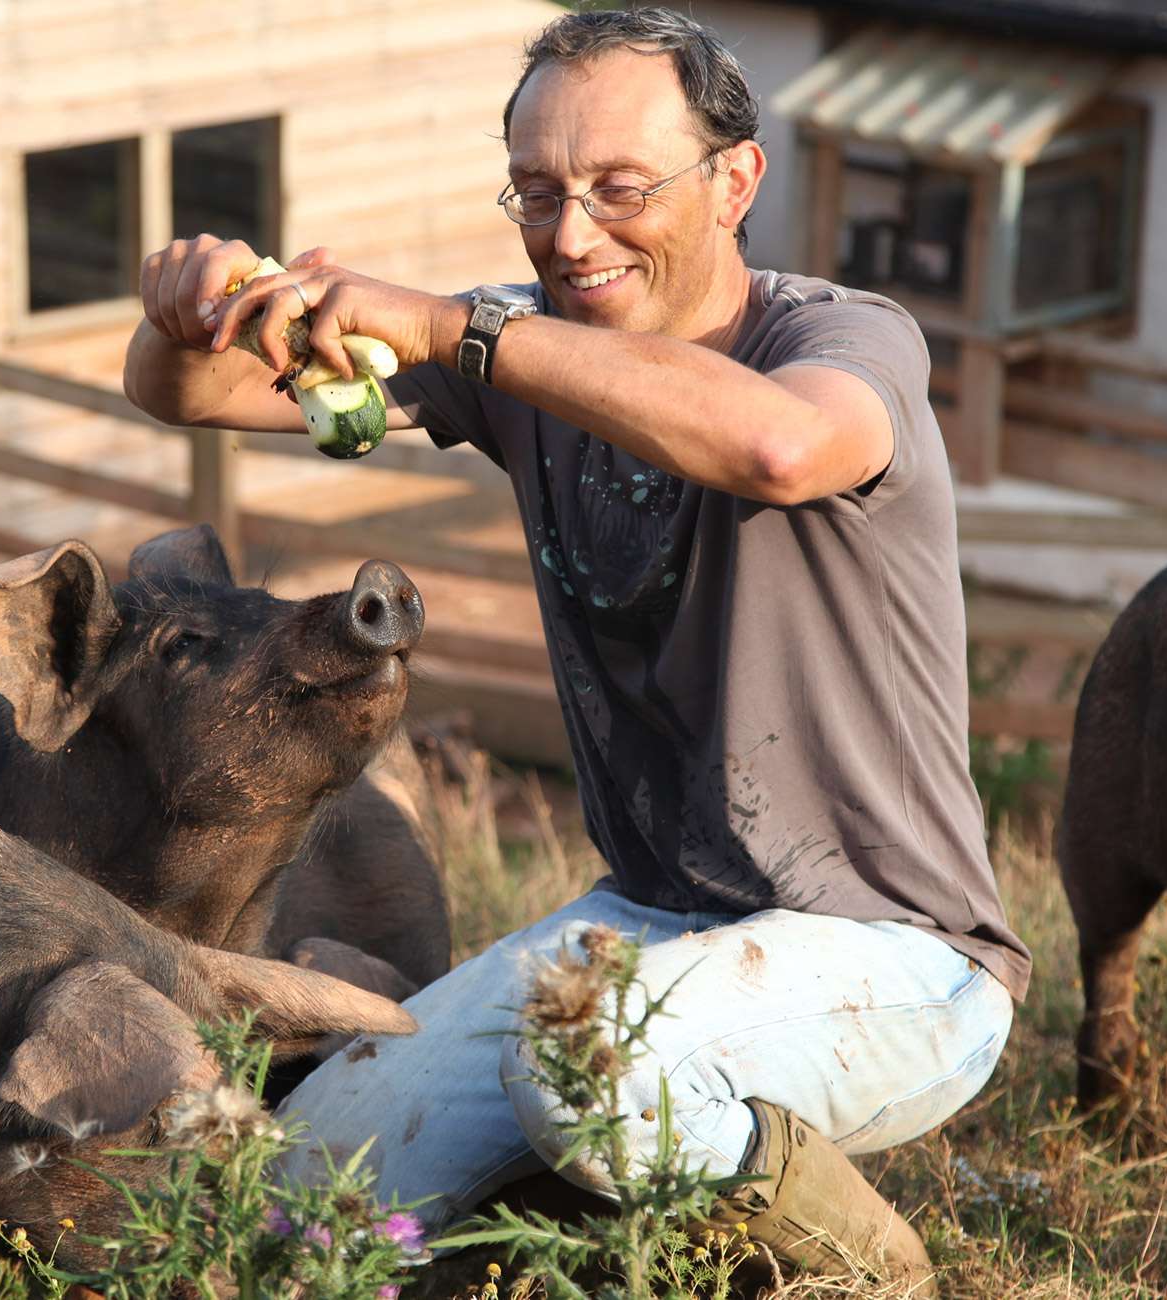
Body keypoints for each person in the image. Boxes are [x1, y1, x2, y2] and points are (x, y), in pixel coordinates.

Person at [122, 7, 1028, 1289]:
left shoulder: (844, 339)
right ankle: (620, 1202)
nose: (571, 233)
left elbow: (778, 447)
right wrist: (179, 319)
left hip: (899, 953)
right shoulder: (531, 351)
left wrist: (460, 331)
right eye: (538, 193)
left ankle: (866, 1267)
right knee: (294, 1203)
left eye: (618, 188)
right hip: (652, 918)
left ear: (736, 179)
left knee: (584, 1072)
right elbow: (200, 396)